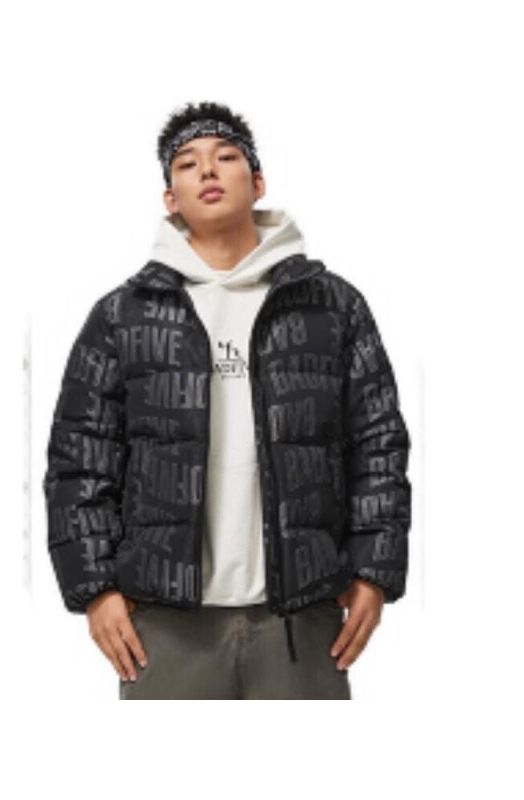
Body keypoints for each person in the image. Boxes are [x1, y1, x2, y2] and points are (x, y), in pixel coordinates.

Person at [42, 101, 412, 700]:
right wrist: (96, 588)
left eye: (226, 157)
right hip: (164, 624)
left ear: (257, 182)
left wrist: (374, 570)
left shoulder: (331, 306)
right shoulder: (122, 315)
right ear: (171, 198)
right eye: (188, 164)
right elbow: (79, 459)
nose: (208, 170)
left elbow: (378, 442)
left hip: (303, 616)